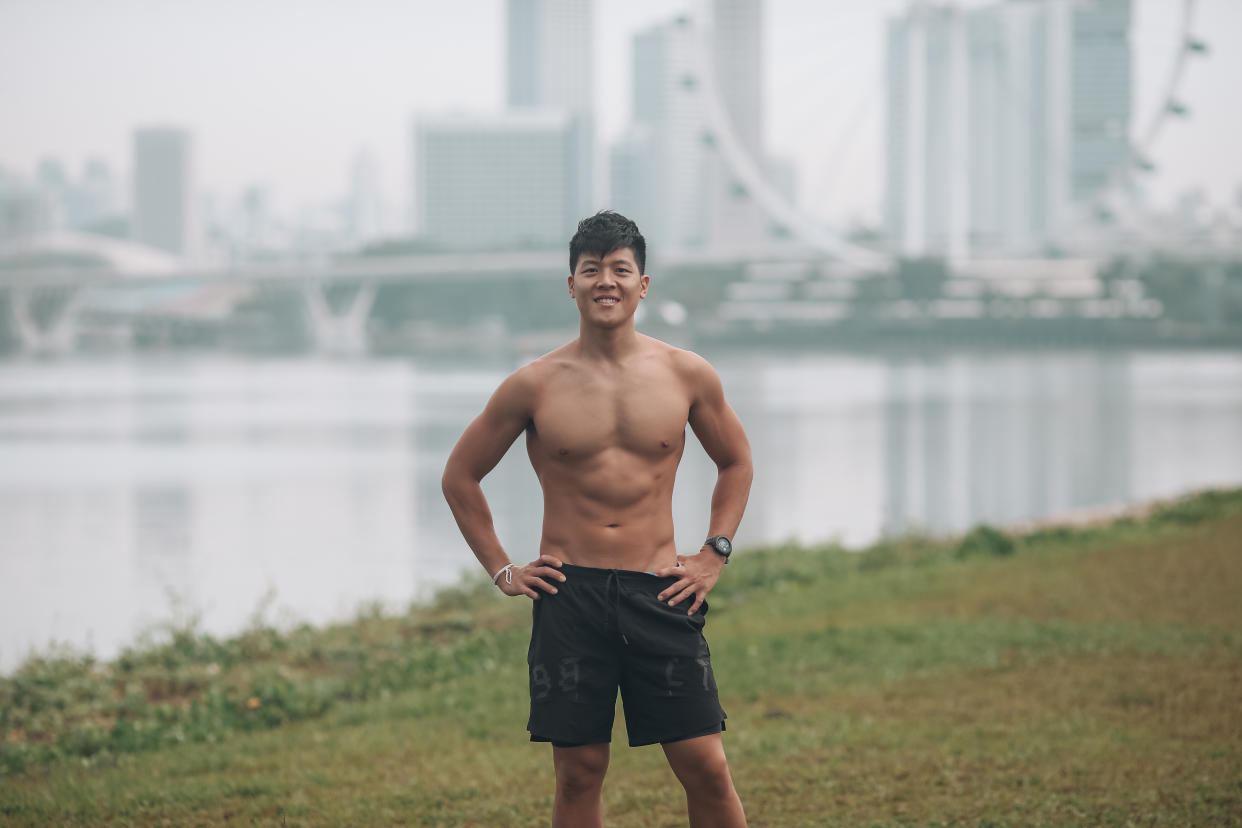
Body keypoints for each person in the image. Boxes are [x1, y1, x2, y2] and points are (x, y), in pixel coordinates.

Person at [441, 211, 752, 827]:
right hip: (569, 596)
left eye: (619, 269)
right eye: (591, 270)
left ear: (643, 285)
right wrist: (503, 570)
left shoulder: (686, 374)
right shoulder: (533, 385)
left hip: (660, 590)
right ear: (572, 285)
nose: (605, 281)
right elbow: (459, 477)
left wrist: (714, 551)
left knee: (706, 765)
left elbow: (737, 462)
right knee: (579, 774)